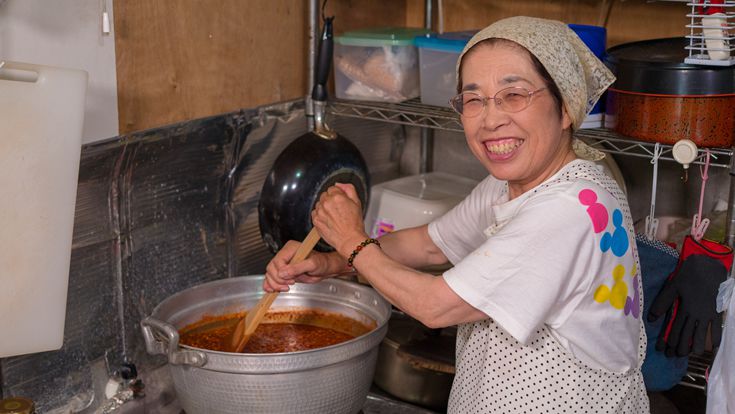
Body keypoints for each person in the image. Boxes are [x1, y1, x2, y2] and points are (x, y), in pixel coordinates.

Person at [265, 16, 649, 413]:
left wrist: (351, 241)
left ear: (565, 107)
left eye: (514, 95)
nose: (490, 118)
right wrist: (329, 261)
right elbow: (429, 246)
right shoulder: (515, 184)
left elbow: (435, 306)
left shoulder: (567, 210)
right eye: (474, 99)